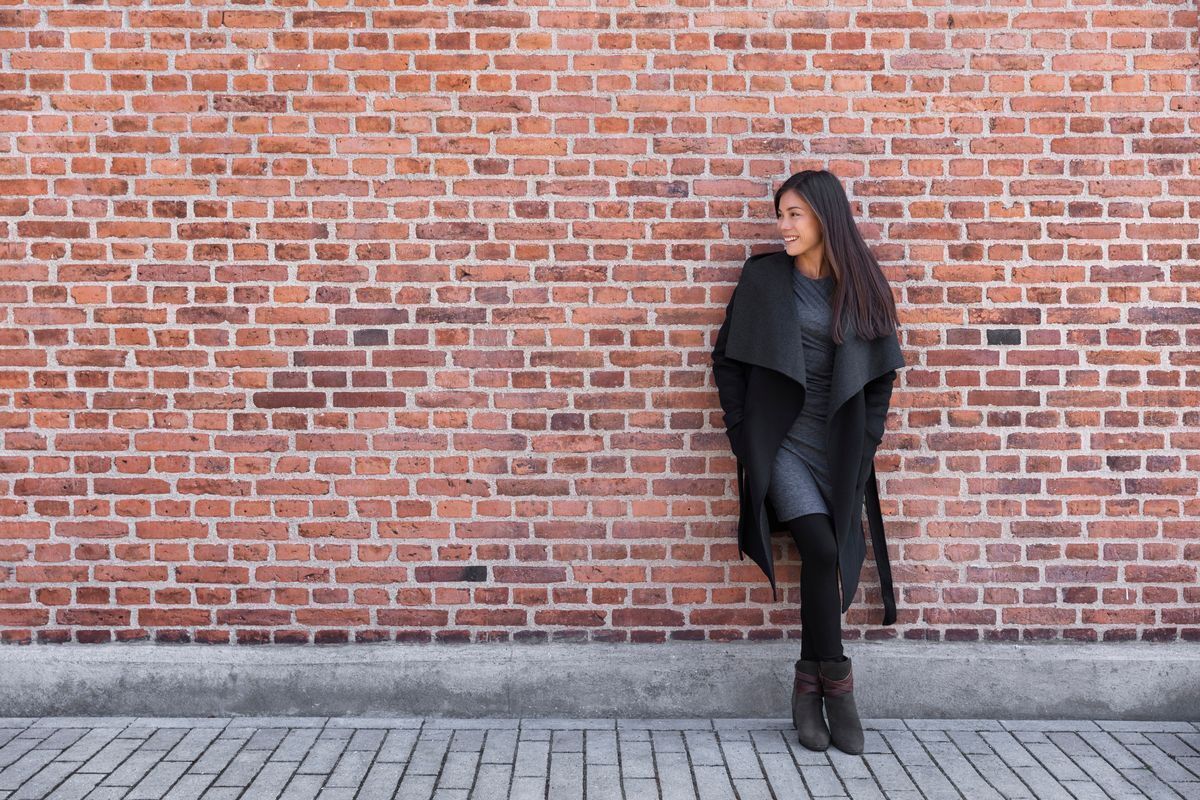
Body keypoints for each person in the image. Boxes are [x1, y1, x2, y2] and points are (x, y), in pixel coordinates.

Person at [710, 169, 906, 755]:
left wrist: (866, 444)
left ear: (825, 217)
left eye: (794, 214)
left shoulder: (864, 285)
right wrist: (745, 436)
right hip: (784, 444)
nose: (784, 226)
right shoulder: (765, 279)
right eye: (781, 215)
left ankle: (806, 685)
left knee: (828, 557)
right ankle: (839, 686)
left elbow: (880, 380)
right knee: (822, 549)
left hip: (838, 444)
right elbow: (726, 361)